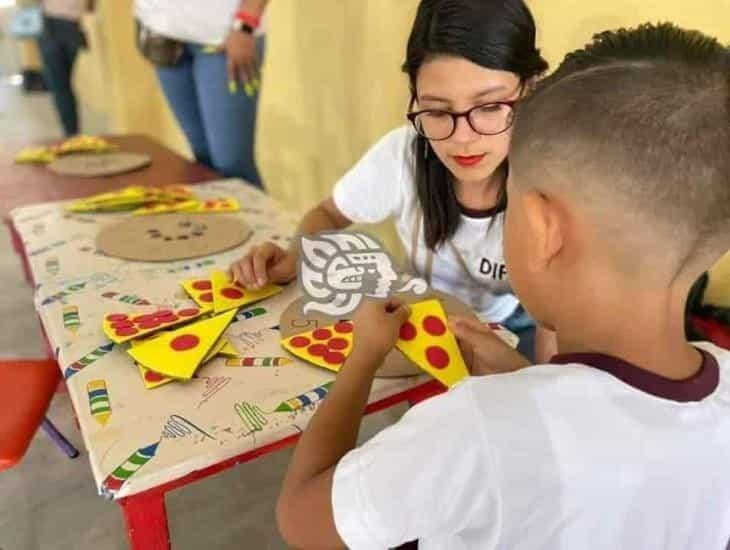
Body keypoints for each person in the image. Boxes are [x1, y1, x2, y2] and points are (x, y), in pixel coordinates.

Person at [275, 22, 730, 549]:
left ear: (541, 226)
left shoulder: (474, 431)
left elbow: (302, 518)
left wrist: (362, 358)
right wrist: (521, 375)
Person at [230, 0, 554, 360]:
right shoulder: (403, 156)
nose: (462, 137)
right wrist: (296, 256)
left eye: (490, 107)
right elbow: (329, 213)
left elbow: (552, 347)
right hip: (423, 312)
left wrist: (519, 373)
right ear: (414, 96)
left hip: (516, 326)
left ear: (530, 88)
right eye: (437, 110)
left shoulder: (550, 184)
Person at [134, 0, 268, 186]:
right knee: (203, 162)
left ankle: (260, 216)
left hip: (224, 34)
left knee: (231, 163)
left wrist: (246, 24)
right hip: (162, 32)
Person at [37, 0, 94, 137]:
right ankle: (72, 133)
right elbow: (91, 7)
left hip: (54, 26)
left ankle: (71, 134)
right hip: (72, 27)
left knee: (60, 86)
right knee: (63, 86)